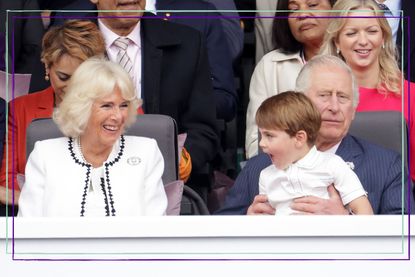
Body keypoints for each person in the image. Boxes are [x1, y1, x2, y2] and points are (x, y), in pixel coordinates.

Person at [215, 55, 414, 215]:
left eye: (343, 97)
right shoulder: (259, 167)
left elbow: (403, 243)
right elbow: (221, 235)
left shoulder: (388, 166)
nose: (334, 107)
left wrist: (347, 221)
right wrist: (248, 222)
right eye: (324, 95)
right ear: (300, 103)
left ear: (353, 110)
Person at [18, 57, 167, 217]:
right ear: (82, 108)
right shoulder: (45, 154)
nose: (117, 116)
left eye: (124, 105)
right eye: (106, 105)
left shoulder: (147, 152)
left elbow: (157, 229)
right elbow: (27, 229)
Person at [0, 20, 106, 207]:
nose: (74, 86)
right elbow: (7, 180)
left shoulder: (121, 109)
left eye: (83, 76)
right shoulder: (20, 109)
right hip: (38, 220)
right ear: (47, 68)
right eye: (64, 77)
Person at [320, 0, 415, 181]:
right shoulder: (316, 97)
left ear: (384, 39)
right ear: (337, 42)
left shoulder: (411, 96)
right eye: (352, 33)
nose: (363, 41)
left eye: (371, 31)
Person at [256, 91, 373, 215]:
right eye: (261, 135)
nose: (261, 143)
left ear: (299, 138)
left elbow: (365, 212)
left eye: (269, 135)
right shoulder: (266, 175)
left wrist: (343, 219)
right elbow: (264, 221)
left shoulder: (332, 164)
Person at [245, 0, 336, 159]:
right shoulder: (270, 65)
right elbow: (255, 142)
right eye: (293, 10)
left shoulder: (353, 57)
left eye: (312, 5)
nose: (302, 14)